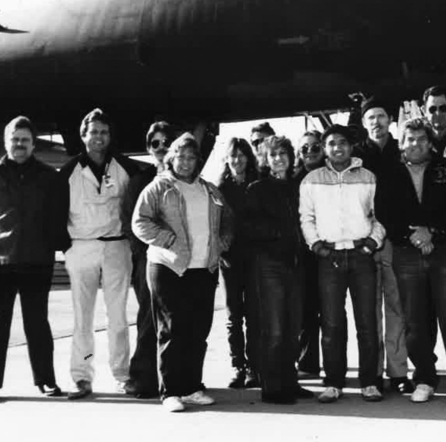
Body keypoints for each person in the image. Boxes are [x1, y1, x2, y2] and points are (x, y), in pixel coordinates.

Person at [378, 118, 446, 407]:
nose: (416, 144)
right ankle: (425, 379)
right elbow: (384, 212)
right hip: (406, 253)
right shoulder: (389, 173)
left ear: (429, 142)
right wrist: (415, 237)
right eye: (410, 139)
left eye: (422, 139)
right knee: (415, 322)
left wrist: (431, 231)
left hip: (443, 249)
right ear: (401, 142)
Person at [132, 133, 234, 412]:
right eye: (181, 156)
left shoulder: (210, 189)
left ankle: (192, 387)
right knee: (171, 329)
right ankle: (170, 392)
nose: (186, 162)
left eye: (191, 157)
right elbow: (139, 222)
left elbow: (227, 221)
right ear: (171, 158)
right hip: (169, 267)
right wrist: (167, 239)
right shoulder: (159, 188)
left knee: (197, 330)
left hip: (204, 268)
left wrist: (221, 244)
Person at [0, 116, 68, 403]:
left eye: (25, 140)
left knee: (37, 324)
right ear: (6, 142)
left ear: (33, 143)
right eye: (15, 139)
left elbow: (57, 216)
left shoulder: (49, 177)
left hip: (37, 260)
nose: (19, 145)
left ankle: (46, 381)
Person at [299, 125, 387, 403]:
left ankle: (369, 382)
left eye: (343, 143)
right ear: (325, 149)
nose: (338, 148)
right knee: (332, 323)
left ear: (351, 147)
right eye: (332, 144)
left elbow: (380, 215)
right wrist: (317, 246)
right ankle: (334, 382)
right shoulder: (311, 180)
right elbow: (306, 218)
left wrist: (373, 242)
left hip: (362, 256)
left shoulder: (369, 178)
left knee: (367, 322)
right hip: (330, 258)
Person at [59, 108, 142, 399]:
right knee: (83, 317)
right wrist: (65, 245)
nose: (99, 137)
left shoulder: (125, 168)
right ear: (83, 135)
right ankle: (81, 378)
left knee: (118, 315)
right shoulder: (68, 171)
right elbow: (55, 211)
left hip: (117, 246)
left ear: (110, 136)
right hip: (81, 246)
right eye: (93, 131)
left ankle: (122, 376)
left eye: (104, 132)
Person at [242, 135, 313, 404]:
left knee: (293, 326)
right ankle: (272, 387)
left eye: (283, 153)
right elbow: (248, 228)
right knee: (273, 328)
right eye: (273, 154)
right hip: (270, 265)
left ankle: (290, 381)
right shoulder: (257, 189)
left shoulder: (299, 187)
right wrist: (279, 233)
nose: (279, 158)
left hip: (296, 264)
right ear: (265, 159)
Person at [352, 97, 412, 394]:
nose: (376, 122)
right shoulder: (355, 156)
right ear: (364, 124)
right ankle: (372, 373)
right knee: (368, 312)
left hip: (394, 241)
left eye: (380, 116)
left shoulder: (402, 151)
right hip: (363, 243)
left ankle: (398, 372)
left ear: (390, 119)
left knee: (396, 309)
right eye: (370, 118)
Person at [120, 121, 175, 399]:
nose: (162, 148)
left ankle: (179, 380)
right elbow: (131, 224)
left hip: (182, 261)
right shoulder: (140, 181)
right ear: (148, 148)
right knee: (149, 320)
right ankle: (143, 379)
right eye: (156, 143)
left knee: (179, 322)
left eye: (167, 142)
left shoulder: (187, 180)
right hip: (149, 261)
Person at [217, 138, 261, 389]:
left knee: (254, 315)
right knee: (234, 316)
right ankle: (238, 366)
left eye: (242, 155)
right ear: (227, 159)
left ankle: (254, 366)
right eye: (233, 156)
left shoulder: (257, 185)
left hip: (254, 258)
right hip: (230, 260)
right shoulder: (220, 188)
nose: (237, 160)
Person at [294, 129, 325, 376]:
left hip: (331, 252)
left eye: (315, 147)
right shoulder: (293, 181)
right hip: (304, 256)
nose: (310, 152)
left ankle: (335, 363)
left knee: (332, 313)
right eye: (304, 148)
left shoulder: (332, 176)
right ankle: (308, 362)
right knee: (306, 311)